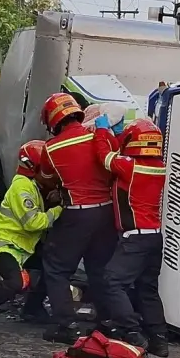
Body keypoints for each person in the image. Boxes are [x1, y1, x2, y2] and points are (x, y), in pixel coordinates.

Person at [37, 92, 119, 344]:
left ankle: (66, 325)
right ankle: (108, 323)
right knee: (99, 270)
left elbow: (47, 179)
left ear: (53, 120)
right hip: (106, 212)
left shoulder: (51, 148)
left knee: (57, 269)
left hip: (77, 213)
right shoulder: (99, 136)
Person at [0, 141, 62, 336]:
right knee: (15, 283)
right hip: (3, 244)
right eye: (47, 167)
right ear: (33, 167)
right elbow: (33, 223)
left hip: (22, 246)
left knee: (55, 268)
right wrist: (59, 209)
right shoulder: (22, 188)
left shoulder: (35, 185)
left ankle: (32, 309)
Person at [96, 116, 169, 357]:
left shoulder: (130, 166)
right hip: (154, 237)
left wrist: (102, 131)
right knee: (147, 288)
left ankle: (132, 332)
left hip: (135, 238)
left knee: (112, 281)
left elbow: (104, 157)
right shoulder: (159, 166)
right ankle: (160, 340)